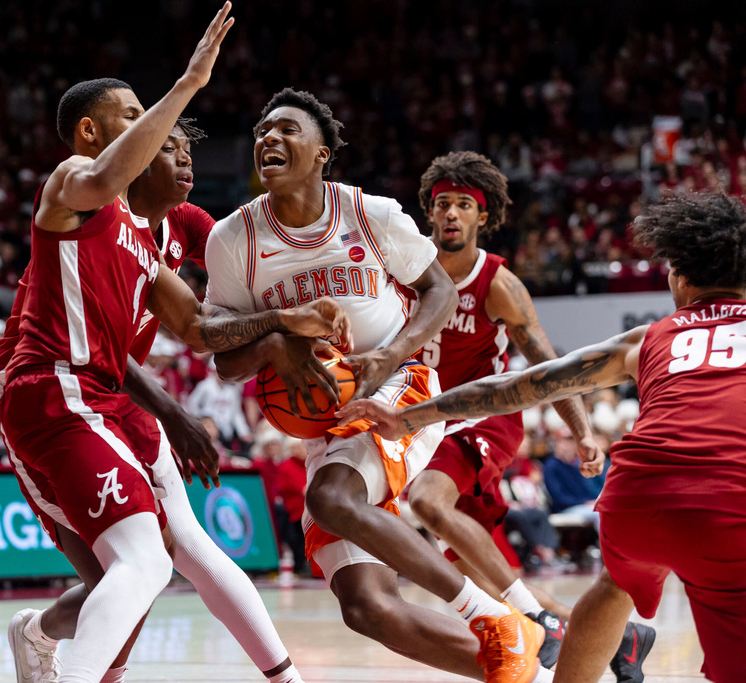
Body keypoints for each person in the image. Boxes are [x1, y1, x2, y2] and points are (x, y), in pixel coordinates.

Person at [0, 7, 347, 682]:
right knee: (140, 564)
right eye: (136, 118)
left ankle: (285, 677)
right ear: (93, 132)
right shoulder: (73, 181)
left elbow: (198, 329)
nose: (171, 144)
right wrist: (188, 81)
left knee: (179, 548)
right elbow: (103, 180)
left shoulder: (149, 237)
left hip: (107, 393)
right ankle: (63, 655)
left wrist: (292, 319)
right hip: (52, 386)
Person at [206, 88, 549, 682]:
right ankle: (537, 673)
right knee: (367, 607)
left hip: (398, 386)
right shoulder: (232, 241)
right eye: (263, 130)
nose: (270, 139)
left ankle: (495, 615)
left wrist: (391, 352)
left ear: (321, 155)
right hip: (326, 425)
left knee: (330, 499)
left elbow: (439, 291)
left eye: (288, 130)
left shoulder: (372, 213)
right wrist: (274, 339)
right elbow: (224, 359)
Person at [337, 192, 746, 683]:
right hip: (729, 506)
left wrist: (407, 418)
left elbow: (517, 385)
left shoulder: (647, 337)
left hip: (636, 500)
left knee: (616, 582)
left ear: (678, 278)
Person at [401, 151, 652, 675]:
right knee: (483, 575)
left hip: (484, 417)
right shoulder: (401, 268)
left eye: (463, 205)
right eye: (442, 203)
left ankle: (538, 614)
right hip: (424, 425)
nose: (451, 213)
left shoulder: (497, 283)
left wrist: (582, 431)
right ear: (428, 211)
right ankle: (622, 640)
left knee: (426, 502)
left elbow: (552, 367)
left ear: (482, 217)